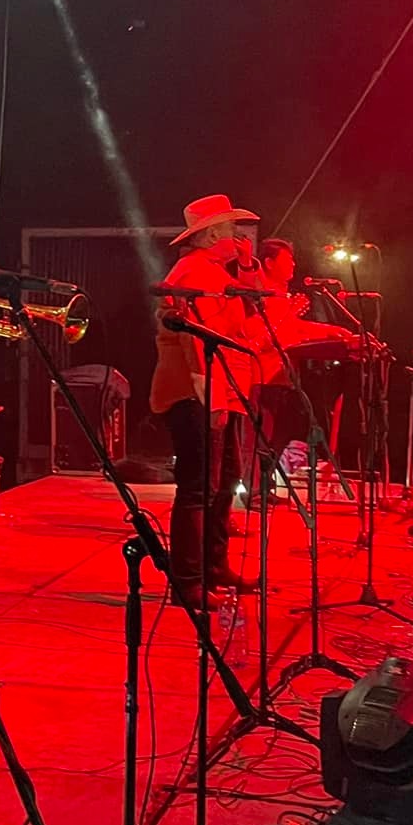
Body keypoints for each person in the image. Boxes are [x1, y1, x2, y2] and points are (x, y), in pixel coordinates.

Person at [151, 193, 261, 605]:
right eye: (232, 229)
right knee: (197, 488)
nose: (238, 237)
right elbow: (195, 345)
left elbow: (252, 316)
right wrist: (212, 398)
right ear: (213, 234)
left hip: (220, 389)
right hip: (195, 392)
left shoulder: (215, 272)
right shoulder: (193, 272)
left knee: (224, 482)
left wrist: (247, 267)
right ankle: (188, 579)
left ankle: (214, 565)